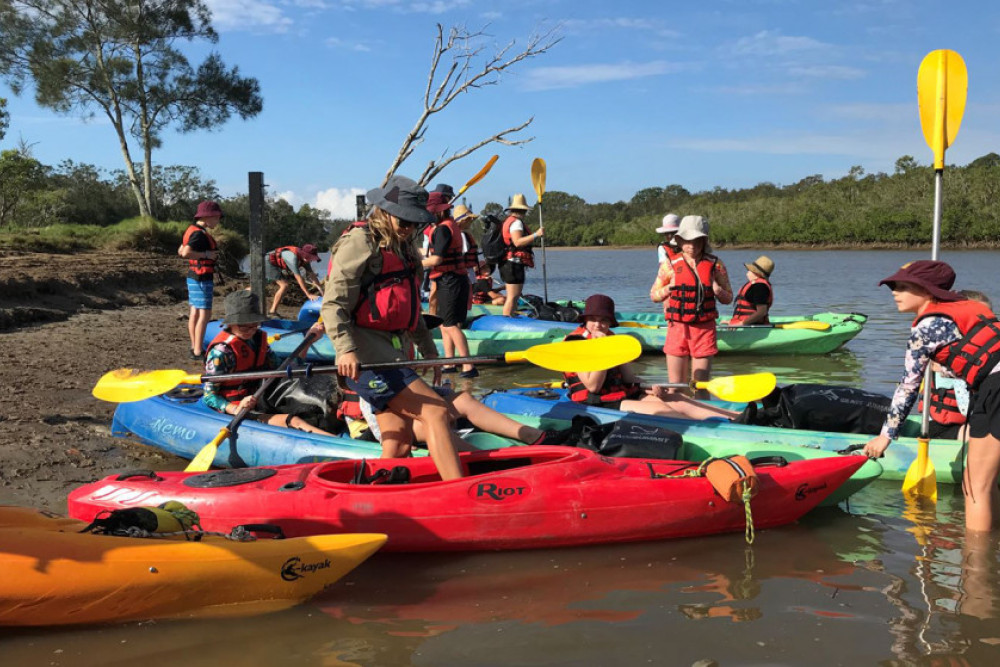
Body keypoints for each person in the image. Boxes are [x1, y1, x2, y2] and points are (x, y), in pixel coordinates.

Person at [321, 175, 467, 480]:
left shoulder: (404, 249)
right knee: (436, 412)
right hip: (367, 356)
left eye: (415, 223)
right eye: (404, 222)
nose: (410, 229)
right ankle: (459, 489)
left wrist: (430, 353)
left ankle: (379, 501)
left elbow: (411, 309)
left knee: (399, 445)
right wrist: (345, 349)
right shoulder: (360, 243)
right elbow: (333, 303)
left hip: (395, 351)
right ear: (384, 213)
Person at [862, 261, 1000, 532]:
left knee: (975, 487)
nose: (894, 292)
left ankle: (976, 567)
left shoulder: (926, 327)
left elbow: (908, 386)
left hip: (995, 387)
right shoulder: (973, 308)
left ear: (926, 291)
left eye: (902, 286)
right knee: (988, 483)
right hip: (991, 386)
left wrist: (885, 436)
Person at [562, 294, 742, 422]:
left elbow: (628, 378)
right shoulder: (576, 343)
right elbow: (593, 386)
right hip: (597, 403)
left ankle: (739, 419)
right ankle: (709, 429)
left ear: (610, 322)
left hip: (620, 394)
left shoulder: (610, 339)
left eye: (604, 320)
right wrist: (603, 349)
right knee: (662, 410)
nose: (598, 325)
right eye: (593, 319)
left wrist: (650, 386)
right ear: (585, 320)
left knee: (679, 401)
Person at [202, 290, 332, 434]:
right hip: (237, 405)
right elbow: (209, 395)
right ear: (231, 323)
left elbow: (283, 369)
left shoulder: (257, 339)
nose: (250, 330)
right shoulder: (221, 353)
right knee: (294, 421)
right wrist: (234, 409)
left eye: (254, 325)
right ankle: (342, 446)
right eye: (243, 326)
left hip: (261, 396)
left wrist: (308, 340)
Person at [649, 215, 733, 399]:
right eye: (687, 241)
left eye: (697, 241)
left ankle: (706, 417)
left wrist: (717, 290)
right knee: (676, 386)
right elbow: (654, 295)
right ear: (678, 240)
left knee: (700, 385)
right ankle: (678, 418)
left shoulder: (716, 265)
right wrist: (668, 289)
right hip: (677, 328)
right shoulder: (670, 265)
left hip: (704, 330)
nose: (692, 246)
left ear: (704, 240)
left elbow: (728, 298)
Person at [423, 186, 477, 378]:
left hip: (451, 281)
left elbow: (436, 260)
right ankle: (449, 362)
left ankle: (468, 365)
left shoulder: (443, 230)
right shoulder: (446, 226)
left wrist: (414, 263)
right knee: (443, 323)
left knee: (450, 324)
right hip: (450, 279)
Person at [178, 200, 222, 361]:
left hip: (193, 275)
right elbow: (186, 253)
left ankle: (194, 346)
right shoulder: (199, 233)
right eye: (217, 218)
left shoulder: (192, 230)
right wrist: (207, 255)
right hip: (202, 277)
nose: (218, 221)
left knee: (195, 312)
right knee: (204, 313)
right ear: (207, 217)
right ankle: (198, 350)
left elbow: (180, 249)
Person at [499, 193, 542, 317]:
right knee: (512, 297)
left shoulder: (509, 221)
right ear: (522, 210)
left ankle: (510, 317)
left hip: (510, 263)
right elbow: (517, 242)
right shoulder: (516, 223)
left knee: (513, 296)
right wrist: (536, 234)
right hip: (513, 264)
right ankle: (507, 321)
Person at [264, 244, 323, 317]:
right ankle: (272, 312)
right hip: (269, 262)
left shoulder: (305, 260)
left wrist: (321, 291)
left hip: (277, 265)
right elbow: (298, 277)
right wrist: (308, 294)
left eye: (311, 258)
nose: (310, 260)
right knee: (284, 285)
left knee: (261, 285)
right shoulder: (293, 258)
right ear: (304, 254)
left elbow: (312, 275)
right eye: (309, 258)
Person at [729, 255, 775, 326]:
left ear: (756, 273)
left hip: (753, 326)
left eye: (749, 270)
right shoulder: (755, 285)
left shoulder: (760, 287)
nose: (747, 272)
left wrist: (741, 324)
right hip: (746, 323)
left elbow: (761, 312)